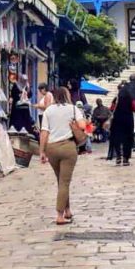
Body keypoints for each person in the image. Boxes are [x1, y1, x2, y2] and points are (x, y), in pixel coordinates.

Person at [39, 85, 81, 225]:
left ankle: (67, 210)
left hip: (52, 148)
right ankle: (59, 215)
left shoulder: (48, 111)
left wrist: (42, 151)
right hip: (68, 147)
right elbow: (83, 126)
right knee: (65, 182)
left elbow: (44, 132)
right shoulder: (73, 109)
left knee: (61, 181)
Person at [109, 74, 135, 166]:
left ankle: (118, 156)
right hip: (127, 121)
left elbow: (111, 109)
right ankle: (126, 158)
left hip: (117, 120)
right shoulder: (130, 99)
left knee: (117, 138)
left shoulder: (116, 99)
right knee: (127, 139)